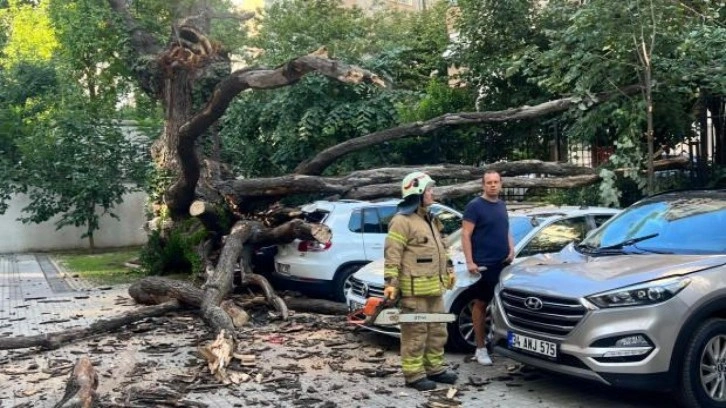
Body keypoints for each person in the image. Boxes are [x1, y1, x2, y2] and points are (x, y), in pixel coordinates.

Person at [383, 171, 458, 391]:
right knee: (415, 333)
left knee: (437, 331)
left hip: (435, 288)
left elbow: (443, 248)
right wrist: (390, 283)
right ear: (417, 192)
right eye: (429, 190)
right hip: (414, 291)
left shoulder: (431, 219)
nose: (432, 193)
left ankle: (435, 369)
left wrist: (450, 269)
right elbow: (392, 254)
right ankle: (414, 375)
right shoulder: (401, 221)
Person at [461, 170, 514, 366]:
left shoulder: (501, 205)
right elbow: (465, 234)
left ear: (501, 184)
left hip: (503, 264)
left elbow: (505, 228)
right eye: (489, 182)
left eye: (496, 182)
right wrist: (469, 261)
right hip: (484, 265)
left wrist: (511, 247)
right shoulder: (475, 206)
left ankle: (499, 343)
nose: (493, 185)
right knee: (481, 304)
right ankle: (480, 348)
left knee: (499, 306)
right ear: (483, 185)